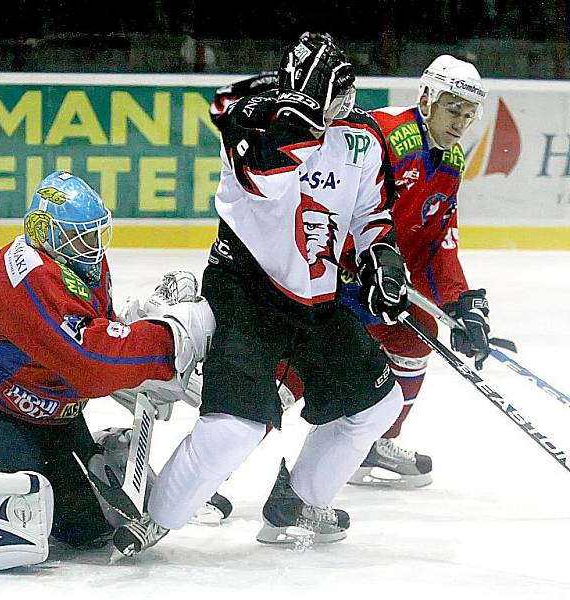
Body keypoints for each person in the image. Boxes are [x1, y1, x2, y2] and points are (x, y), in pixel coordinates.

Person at [111, 32, 407, 557]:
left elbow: (370, 213)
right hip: (245, 292)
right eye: (329, 96)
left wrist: (381, 255)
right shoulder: (246, 112)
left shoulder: (364, 137)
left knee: (379, 404)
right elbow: (267, 177)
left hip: (317, 301)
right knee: (234, 431)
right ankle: (158, 517)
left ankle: (296, 502)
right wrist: (307, 110)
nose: (344, 105)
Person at [209, 55, 491, 489]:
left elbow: (435, 238)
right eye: (453, 108)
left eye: (469, 114)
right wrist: (349, 273)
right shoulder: (384, 135)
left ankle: (373, 444)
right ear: (427, 98)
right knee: (284, 386)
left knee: (417, 335)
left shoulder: (450, 159)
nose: (460, 121)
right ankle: (209, 475)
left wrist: (459, 301)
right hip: (326, 283)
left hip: (375, 286)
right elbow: (334, 206)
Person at [0, 171, 215, 550]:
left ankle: (100, 449)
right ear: (45, 234)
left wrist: (132, 340)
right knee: (24, 522)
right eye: (83, 237)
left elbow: (95, 330)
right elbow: (88, 362)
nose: (94, 246)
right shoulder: (26, 277)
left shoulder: (81, 264)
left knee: (87, 530)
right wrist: (167, 342)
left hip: (52, 418)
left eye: (97, 234)